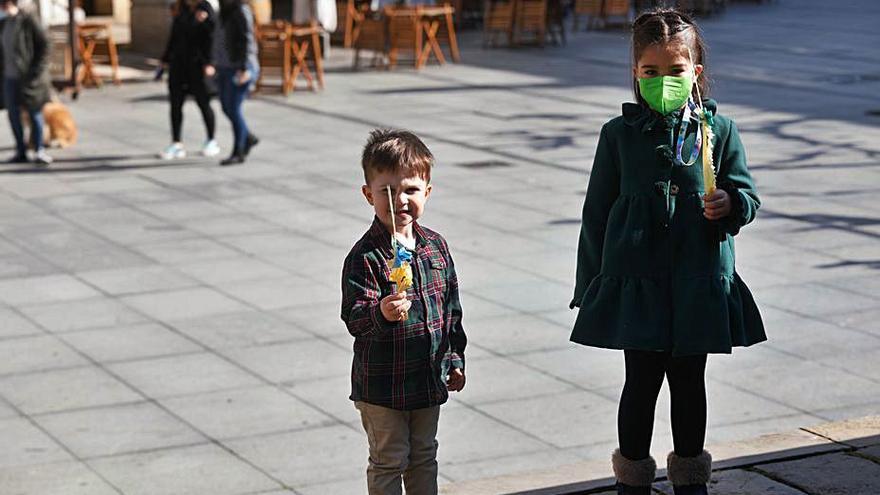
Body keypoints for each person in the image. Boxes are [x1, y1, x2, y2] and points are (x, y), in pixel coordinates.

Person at [568, 9, 766, 495]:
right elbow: (595, 214)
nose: (663, 81)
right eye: (650, 71)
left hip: (697, 280)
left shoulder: (717, 132)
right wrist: (589, 285)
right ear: (636, 73)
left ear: (694, 72)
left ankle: (690, 479)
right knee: (639, 381)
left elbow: (748, 196)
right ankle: (632, 478)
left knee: (689, 380)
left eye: (675, 71)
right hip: (637, 283)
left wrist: (731, 203)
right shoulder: (618, 136)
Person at [342, 129, 467, 495]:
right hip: (383, 385)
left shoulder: (435, 247)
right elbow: (355, 317)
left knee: (424, 455)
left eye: (410, 189)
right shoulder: (365, 256)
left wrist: (454, 358)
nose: (399, 200)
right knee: (389, 458)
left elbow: (451, 311)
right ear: (369, 195)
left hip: (426, 377)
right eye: (387, 191)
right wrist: (381, 312)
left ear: (426, 192)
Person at [158, 0, 219, 160]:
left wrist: (210, 62)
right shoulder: (180, 8)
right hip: (178, 65)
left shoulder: (205, 8)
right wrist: (165, 59)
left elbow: (213, 37)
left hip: (198, 66)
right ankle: (176, 143)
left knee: (203, 102)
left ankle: (211, 140)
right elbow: (174, 36)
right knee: (175, 104)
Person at [205, 0, 258, 166]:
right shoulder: (223, 10)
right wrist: (213, 62)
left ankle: (239, 150)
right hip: (224, 66)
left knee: (234, 109)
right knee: (226, 107)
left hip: (239, 67)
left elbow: (246, 40)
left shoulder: (241, 10)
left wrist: (244, 68)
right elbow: (218, 38)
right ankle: (247, 137)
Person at [0, 0, 52, 166]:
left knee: (34, 112)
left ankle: (39, 149)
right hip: (9, 77)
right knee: (13, 114)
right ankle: (21, 150)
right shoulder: (3, 23)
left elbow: (45, 45)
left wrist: (36, 72)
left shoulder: (28, 20)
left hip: (29, 78)